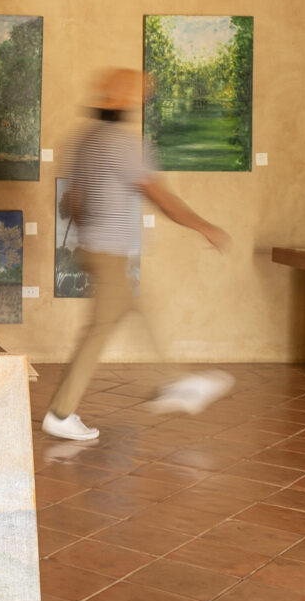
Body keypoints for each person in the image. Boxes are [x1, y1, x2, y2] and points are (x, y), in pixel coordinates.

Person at [46, 67, 229, 442]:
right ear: (131, 102)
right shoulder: (124, 144)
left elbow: (73, 201)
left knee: (135, 309)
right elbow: (164, 201)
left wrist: (90, 227)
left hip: (91, 249)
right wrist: (205, 227)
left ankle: (172, 381)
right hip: (109, 252)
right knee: (101, 329)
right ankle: (61, 412)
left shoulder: (83, 139)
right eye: (141, 95)